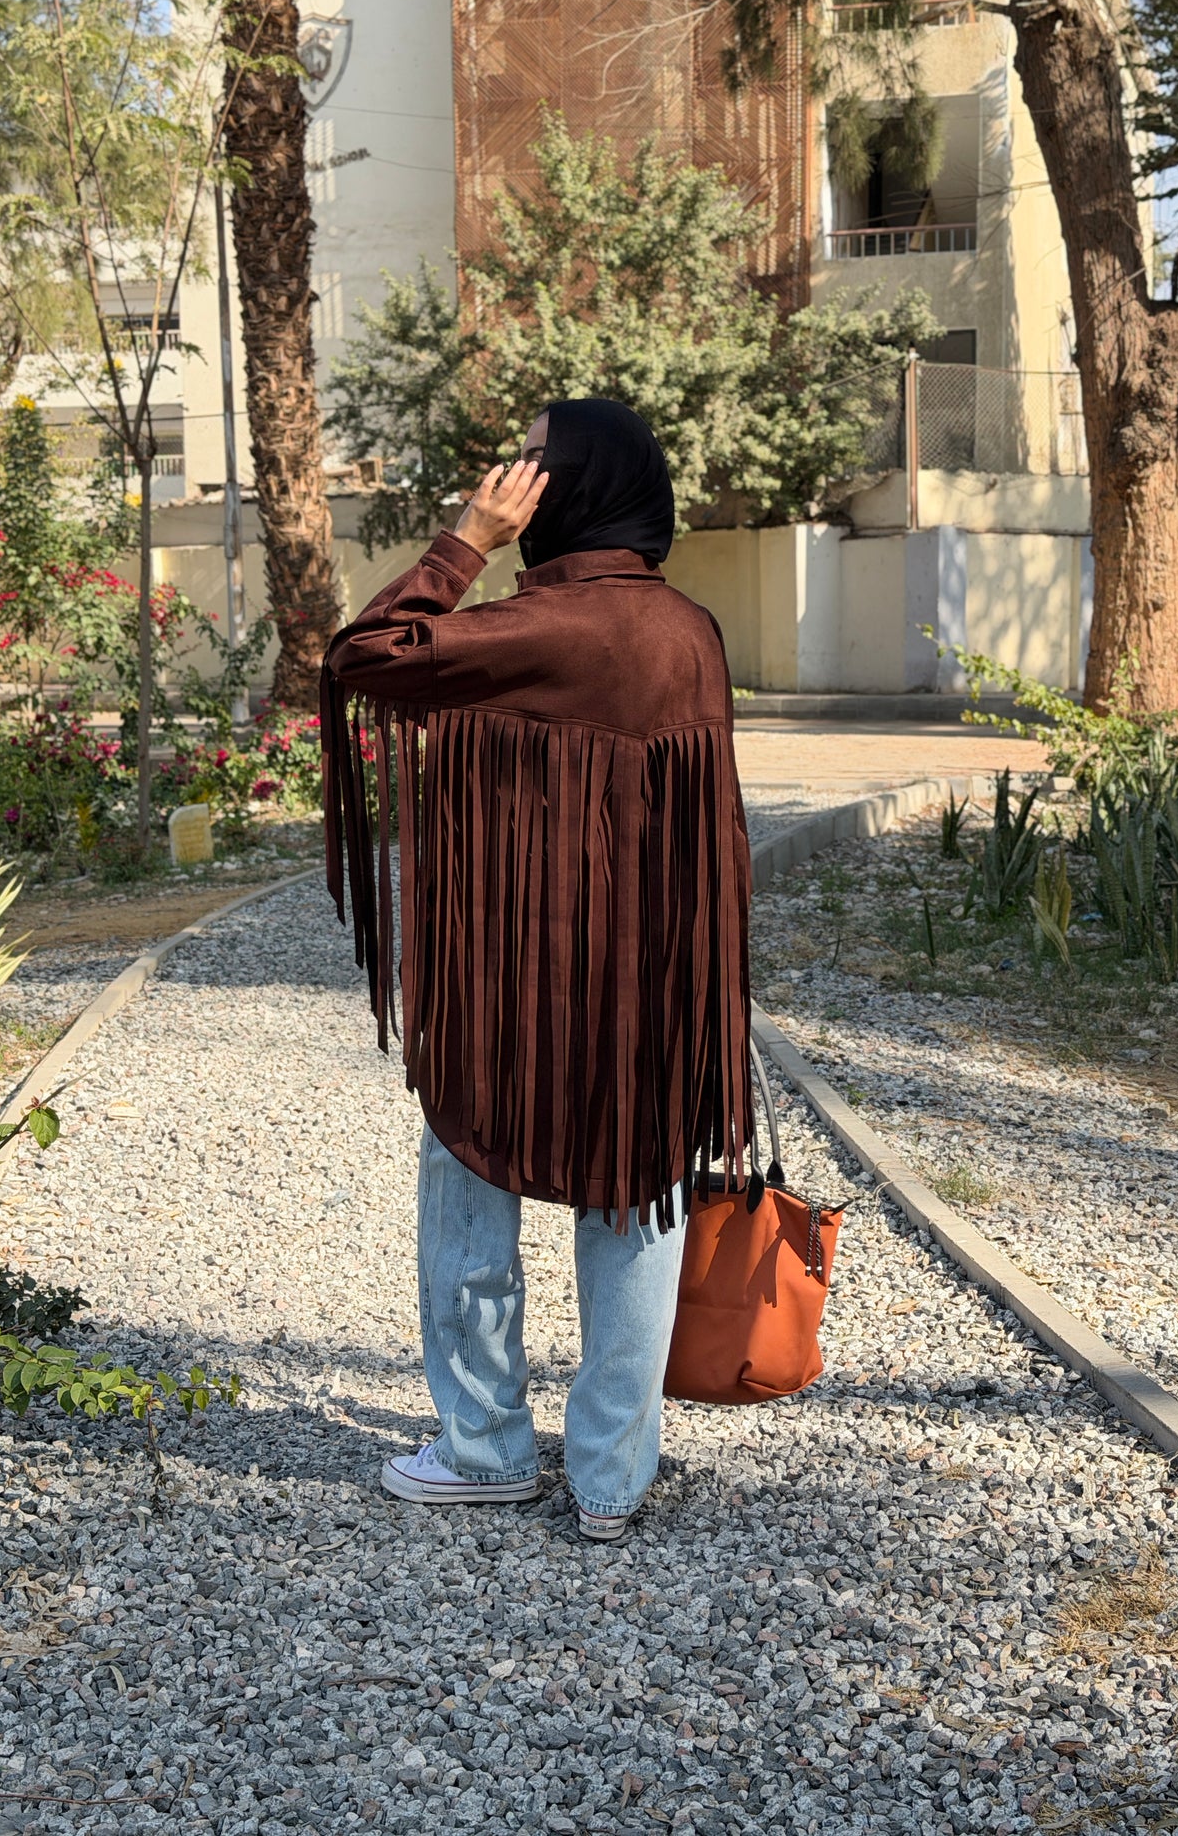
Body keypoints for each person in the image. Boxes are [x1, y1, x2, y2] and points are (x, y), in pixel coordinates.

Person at [320, 398, 753, 1543]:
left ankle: (485, 1450)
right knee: (637, 1195)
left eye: (529, 465)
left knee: (467, 1172)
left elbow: (364, 655)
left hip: (509, 976)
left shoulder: (531, 630)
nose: (511, 476)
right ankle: (611, 1477)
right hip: (650, 976)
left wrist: (464, 538)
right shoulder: (689, 632)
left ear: (560, 492)